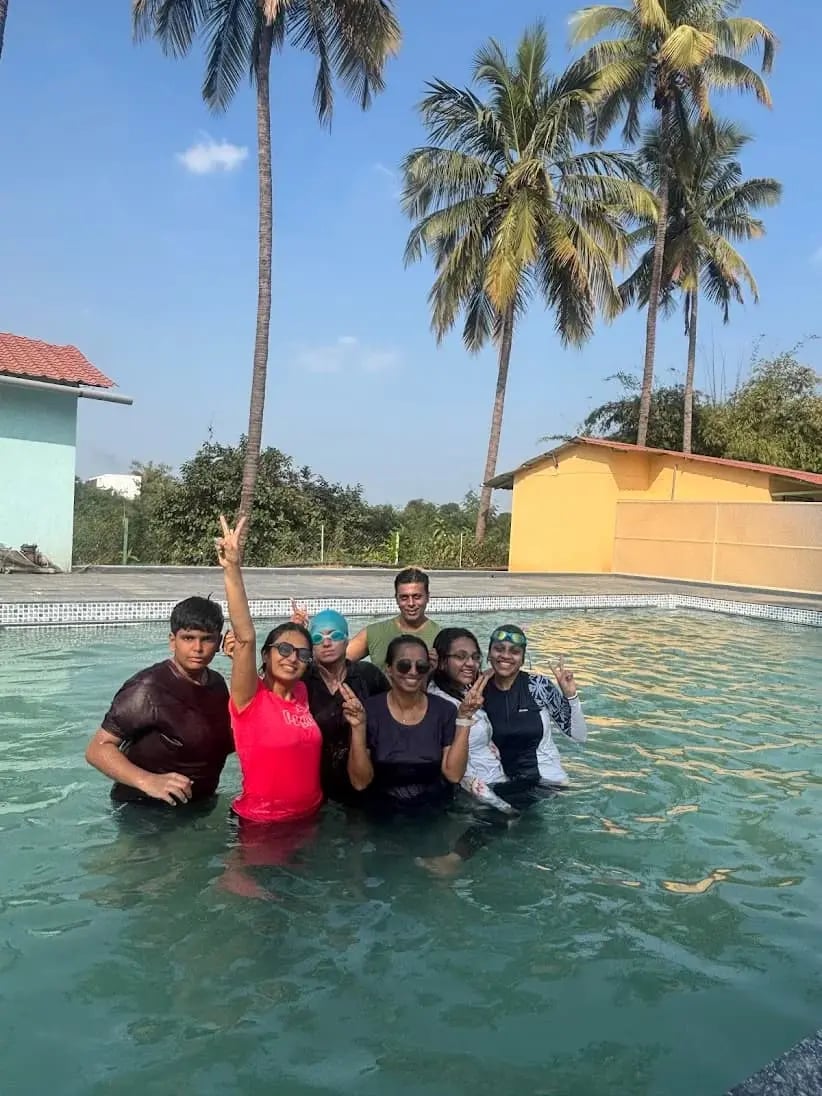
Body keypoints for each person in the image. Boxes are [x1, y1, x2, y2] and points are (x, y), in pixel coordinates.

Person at [216, 515, 341, 825]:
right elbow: (245, 636)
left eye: (300, 653)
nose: (291, 658)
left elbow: (315, 650)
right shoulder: (250, 699)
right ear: (266, 655)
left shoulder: (301, 692)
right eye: (283, 650)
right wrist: (232, 569)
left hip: (310, 819)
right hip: (261, 824)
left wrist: (299, 629)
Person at [84, 596, 233, 807]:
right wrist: (147, 780)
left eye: (207, 639)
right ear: (173, 641)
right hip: (143, 807)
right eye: (188, 638)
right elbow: (97, 749)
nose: (197, 648)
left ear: (219, 642)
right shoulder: (148, 688)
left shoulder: (216, 683)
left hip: (200, 804)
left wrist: (240, 660)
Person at [347, 634, 483, 811]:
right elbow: (359, 783)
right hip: (381, 815)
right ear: (389, 669)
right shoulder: (369, 711)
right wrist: (358, 728)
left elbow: (454, 775)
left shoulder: (444, 710)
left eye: (421, 666)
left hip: (433, 813)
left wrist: (465, 718)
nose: (413, 672)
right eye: (404, 666)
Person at [483, 624, 587, 805]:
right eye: (499, 649)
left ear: (523, 659)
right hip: (503, 784)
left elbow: (579, 736)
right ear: (489, 653)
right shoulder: (478, 689)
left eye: (514, 651)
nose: (505, 656)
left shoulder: (538, 687)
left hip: (548, 783)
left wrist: (571, 696)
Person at [428, 628, 516, 815]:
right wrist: (504, 808)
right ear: (442, 662)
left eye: (475, 657)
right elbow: (456, 773)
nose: (471, 664)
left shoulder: (464, 691)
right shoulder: (439, 704)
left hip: (496, 786)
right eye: (461, 657)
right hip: (477, 800)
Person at [345, 567, 441, 671]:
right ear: (396, 599)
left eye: (417, 597)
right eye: (404, 597)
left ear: (427, 597)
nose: (411, 603)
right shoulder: (375, 633)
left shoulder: (439, 638)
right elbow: (336, 663)